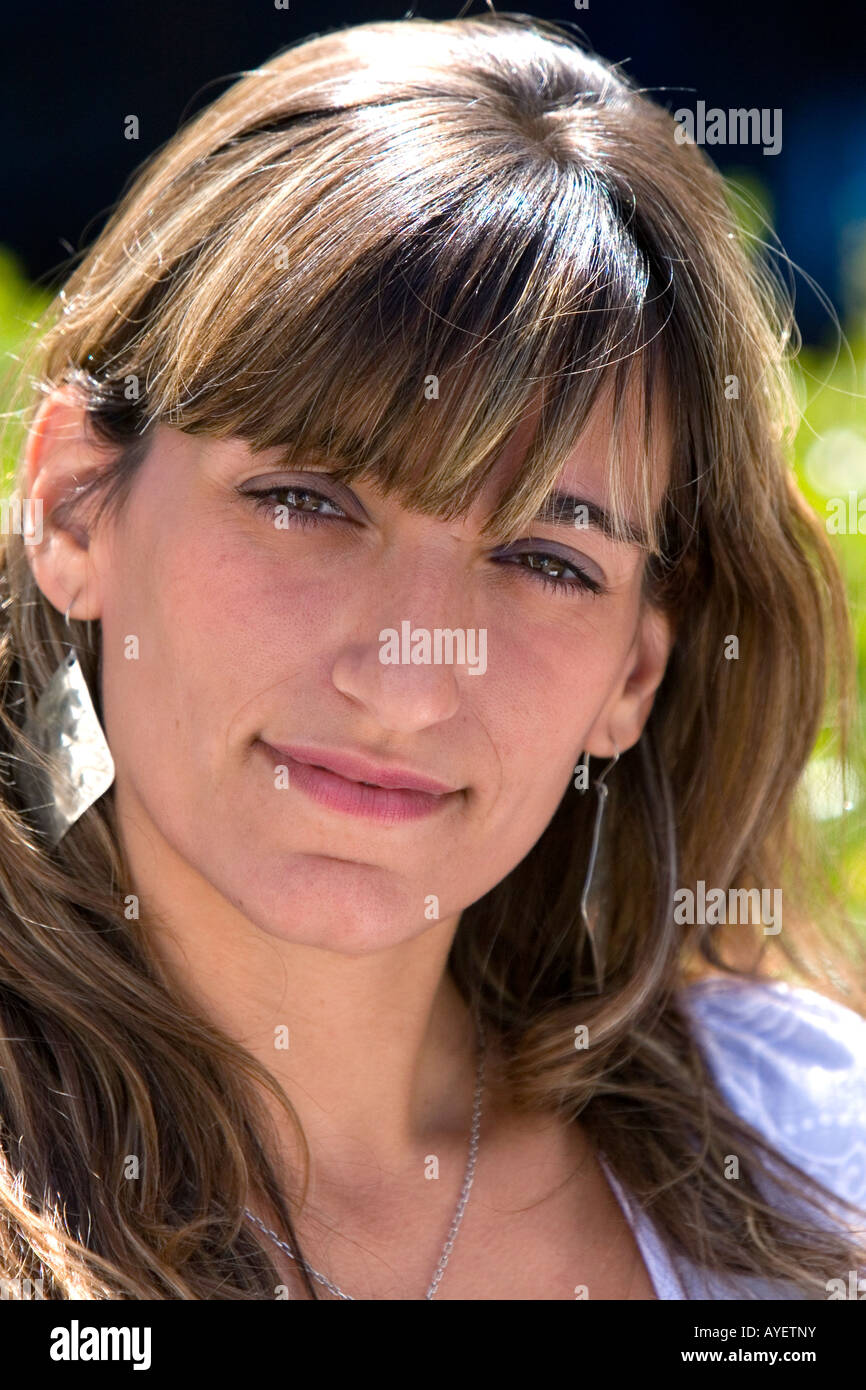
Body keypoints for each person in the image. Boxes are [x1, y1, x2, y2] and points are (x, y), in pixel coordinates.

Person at [0, 13, 863, 1301]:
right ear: (76, 508)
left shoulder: (814, 1157)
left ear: (632, 673)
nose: (405, 682)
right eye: (308, 501)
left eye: (546, 562)